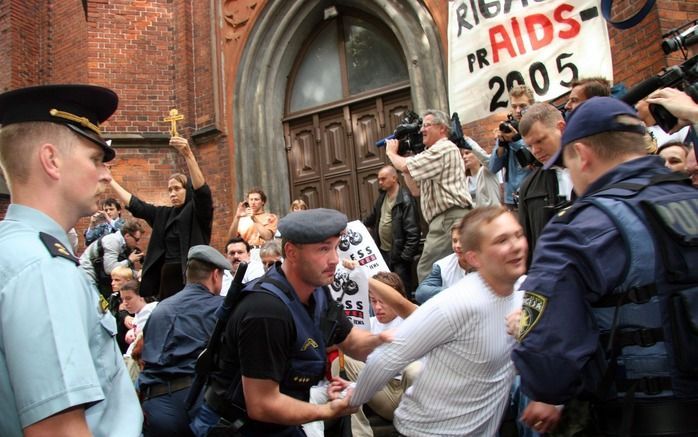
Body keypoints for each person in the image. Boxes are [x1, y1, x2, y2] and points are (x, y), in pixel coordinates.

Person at [511, 97, 698, 435]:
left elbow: (548, 357)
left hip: (640, 414)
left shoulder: (578, 228)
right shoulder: (690, 198)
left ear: (581, 155)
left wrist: (545, 389)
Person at [0, 84, 142, 436]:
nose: (106, 174)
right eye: (95, 159)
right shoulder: (45, 268)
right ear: (51, 161)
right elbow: (58, 429)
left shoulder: (15, 250)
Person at [190, 208, 386, 437]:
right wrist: (326, 410)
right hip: (236, 427)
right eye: (323, 249)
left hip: (277, 422)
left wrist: (388, 339)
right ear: (291, 252)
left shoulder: (318, 291)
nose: (335, 259)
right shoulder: (265, 311)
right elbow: (262, 404)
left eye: (335, 247)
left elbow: (352, 341)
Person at [348, 206, 527, 436]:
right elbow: (388, 357)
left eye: (519, 235)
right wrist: (353, 399)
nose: (516, 246)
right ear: (474, 257)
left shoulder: (527, 291)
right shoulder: (456, 302)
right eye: (502, 240)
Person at [139, 245, 232, 437]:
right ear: (215, 275)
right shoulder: (220, 308)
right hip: (195, 400)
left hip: (154, 403)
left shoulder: (160, 308)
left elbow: (142, 354)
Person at [110, 137, 213, 299]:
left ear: (187, 190)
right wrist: (110, 180)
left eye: (177, 189)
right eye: (170, 190)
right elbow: (137, 206)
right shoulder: (163, 214)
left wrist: (188, 154)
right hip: (167, 280)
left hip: (192, 278)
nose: (172, 193)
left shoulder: (197, 212)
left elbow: (202, 192)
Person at [386, 109, 472, 282]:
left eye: (426, 125)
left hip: (449, 218)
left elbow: (406, 166)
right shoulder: (431, 155)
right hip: (444, 221)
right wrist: (407, 158)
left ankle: (439, 308)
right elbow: (415, 190)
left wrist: (391, 153)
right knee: (451, 272)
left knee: (427, 271)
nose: (421, 130)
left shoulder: (444, 147)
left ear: (442, 129)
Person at [517, 103, 573, 267]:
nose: (535, 151)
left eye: (540, 140)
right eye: (529, 146)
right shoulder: (529, 188)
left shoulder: (594, 169)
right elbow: (528, 244)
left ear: (561, 128)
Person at [363, 165, 421, 293]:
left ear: (394, 178)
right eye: (379, 179)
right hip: (383, 253)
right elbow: (372, 217)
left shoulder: (405, 199)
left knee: (402, 292)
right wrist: (356, 227)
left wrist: (404, 258)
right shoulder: (382, 197)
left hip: (399, 257)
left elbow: (413, 232)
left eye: (383, 179)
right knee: (386, 291)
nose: (380, 182)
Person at [488, 84, 535, 210]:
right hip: (512, 199)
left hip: (533, 194)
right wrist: (502, 143)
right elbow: (493, 167)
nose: (518, 111)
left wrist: (515, 140)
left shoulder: (537, 127)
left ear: (532, 105)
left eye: (523, 106)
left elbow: (532, 161)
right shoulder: (507, 128)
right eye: (514, 106)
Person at [79, 218, 145, 297]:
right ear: (127, 236)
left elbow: (124, 272)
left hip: (99, 274)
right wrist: (130, 260)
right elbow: (110, 269)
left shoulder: (124, 245)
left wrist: (138, 274)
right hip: (88, 273)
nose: (137, 243)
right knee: (96, 301)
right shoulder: (113, 241)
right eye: (136, 240)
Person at [414, 222, 470, 304]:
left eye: (462, 241)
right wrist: (455, 293)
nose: (457, 245)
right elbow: (421, 293)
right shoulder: (442, 265)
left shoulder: (487, 263)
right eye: (454, 241)